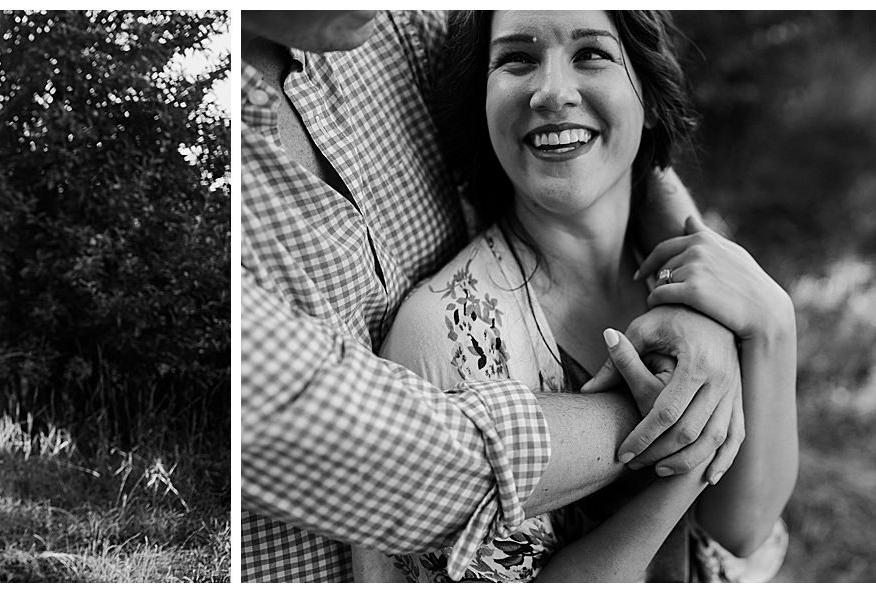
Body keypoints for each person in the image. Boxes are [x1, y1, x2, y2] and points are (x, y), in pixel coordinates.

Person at [240, 10, 748, 582]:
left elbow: (610, 106)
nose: (552, 90)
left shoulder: (384, 27)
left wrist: (700, 301)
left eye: (590, 54)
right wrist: (674, 414)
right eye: (519, 60)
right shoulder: (440, 332)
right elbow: (408, 465)